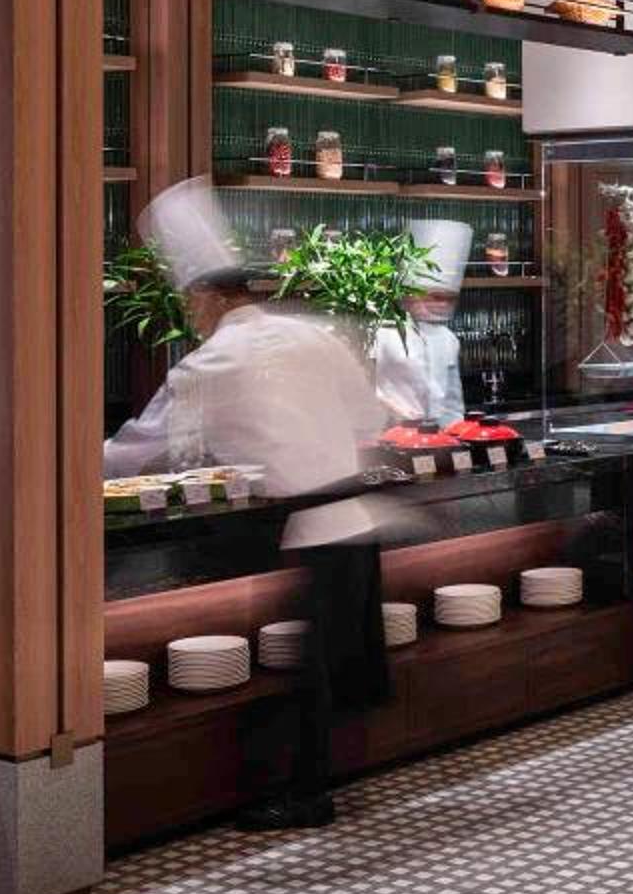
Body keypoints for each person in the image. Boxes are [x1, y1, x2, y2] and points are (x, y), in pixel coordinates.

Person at [105, 178, 387, 831]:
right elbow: (367, 416)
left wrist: (58, 477)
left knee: (307, 667)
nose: (190, 315)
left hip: (301, 529)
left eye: (190, 303)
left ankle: (306, 794)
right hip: (356, 517)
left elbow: (133, 451)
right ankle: (325, 782)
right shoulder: (313, 334)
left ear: (206, 297)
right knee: (329, 662)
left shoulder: (211, 362)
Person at [367, 220, 472, 429]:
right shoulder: (380, 333)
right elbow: (361, 386)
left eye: (448, 298)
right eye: (435, 297)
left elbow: (452, 405)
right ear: (409, 295)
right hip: (389, 434)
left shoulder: (448, 339)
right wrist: (392, 410)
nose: (442, 305)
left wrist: (455, 437)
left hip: (436, 437)